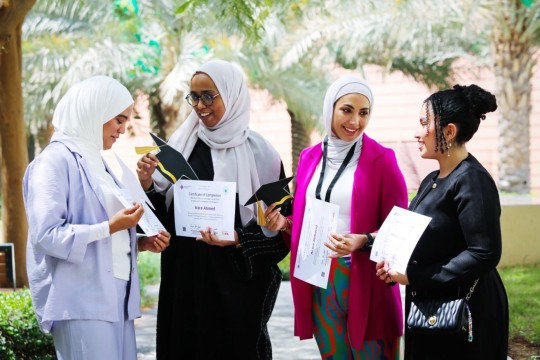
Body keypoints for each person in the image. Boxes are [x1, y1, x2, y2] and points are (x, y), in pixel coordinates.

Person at [136, 59, 290, 359]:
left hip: (237, 289)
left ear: (231, 95)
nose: (200, 105)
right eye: (194, 96)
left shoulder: (263, 155)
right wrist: (146, 184)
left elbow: (280, 233)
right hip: (186, 282)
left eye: (209, 95)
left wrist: (237, 238)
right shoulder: (180, 148)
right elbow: (159, 220)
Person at [24, 75, 171, 360]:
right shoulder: (52, 162)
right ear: (95, 111)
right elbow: (46, 235)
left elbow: (107, 233)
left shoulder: (100, 164)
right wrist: (111, 226)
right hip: (81, 300)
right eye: (118, 119)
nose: (122, 129)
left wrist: (140, 242)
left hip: (117, 297)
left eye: (126, 121)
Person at [265, 75, 408, 359]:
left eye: (363, 112)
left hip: (366, 280)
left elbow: (399, 227)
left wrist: (363, 241)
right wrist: (284, 223)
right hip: (318, 276)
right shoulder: (309, 157)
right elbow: (305, 218)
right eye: (347, 110)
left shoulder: (382, 160)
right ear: (330, 108)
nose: (355, 121)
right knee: (334, 355)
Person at [375, 84, 509, 359]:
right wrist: (378, 251)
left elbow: (484, 253)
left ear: (449, 131)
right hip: (430, 307)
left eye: (425, 123)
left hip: (465, 310)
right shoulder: (432, 180)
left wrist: (414, 276)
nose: (417, 132)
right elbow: (412, 233)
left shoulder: (472, 181)